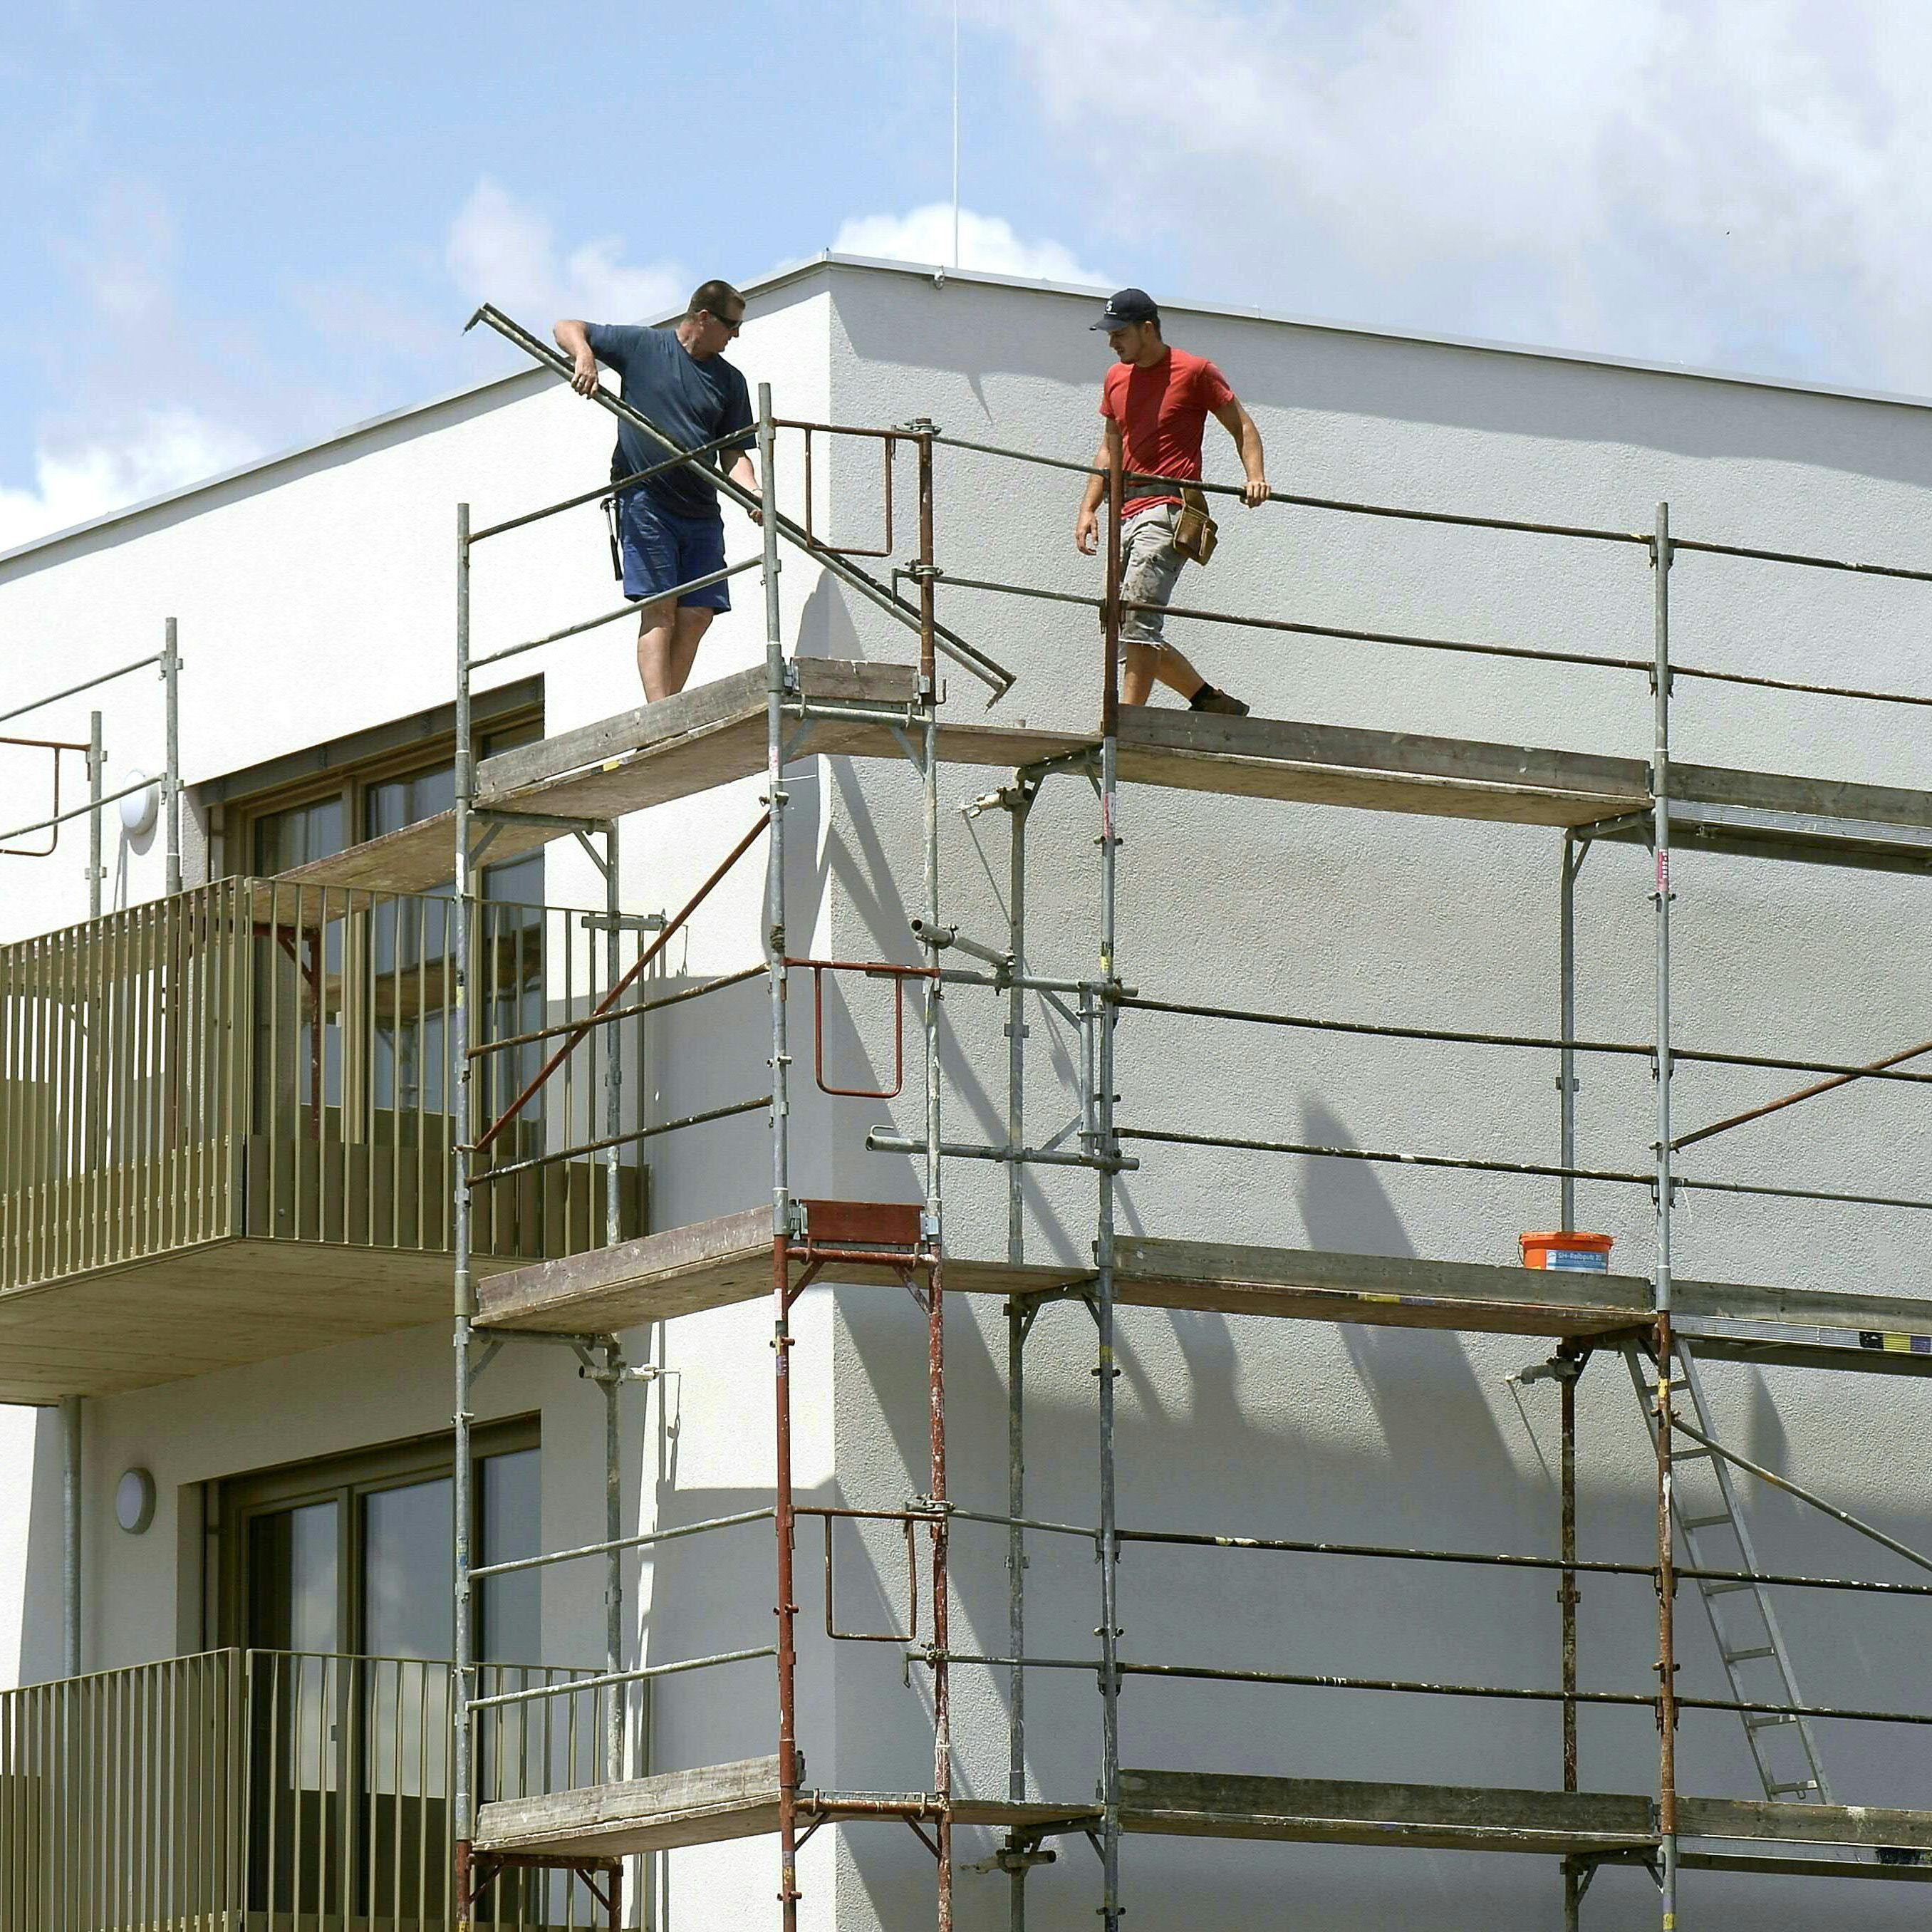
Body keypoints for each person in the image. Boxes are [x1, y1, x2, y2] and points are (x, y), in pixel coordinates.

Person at [555, 281, 761, 700]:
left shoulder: (730, 381)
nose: (735, 335)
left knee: (700, 612)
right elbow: (567, 326)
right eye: (731, 325)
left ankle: (666, 710)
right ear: (703, 318)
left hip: (700, 509)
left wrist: (754, 492)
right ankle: (659, 715)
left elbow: (734, 452)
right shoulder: (645, 346)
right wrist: (585, 356)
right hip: (646, 499)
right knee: (660, 609)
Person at [1074, 288, 1269, 715]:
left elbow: (1242, 426)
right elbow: (1110, 449)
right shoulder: (1116, 378)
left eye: (1119, 333)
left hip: (1168, 508)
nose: (1112, 342)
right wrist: (1089, 508)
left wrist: (1254, 477)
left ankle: (1127, 720)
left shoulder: (1196, 370)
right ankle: (1208, 700)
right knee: (1123, 623)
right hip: (1125, 512)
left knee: (1138, 619)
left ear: (1148, 328)